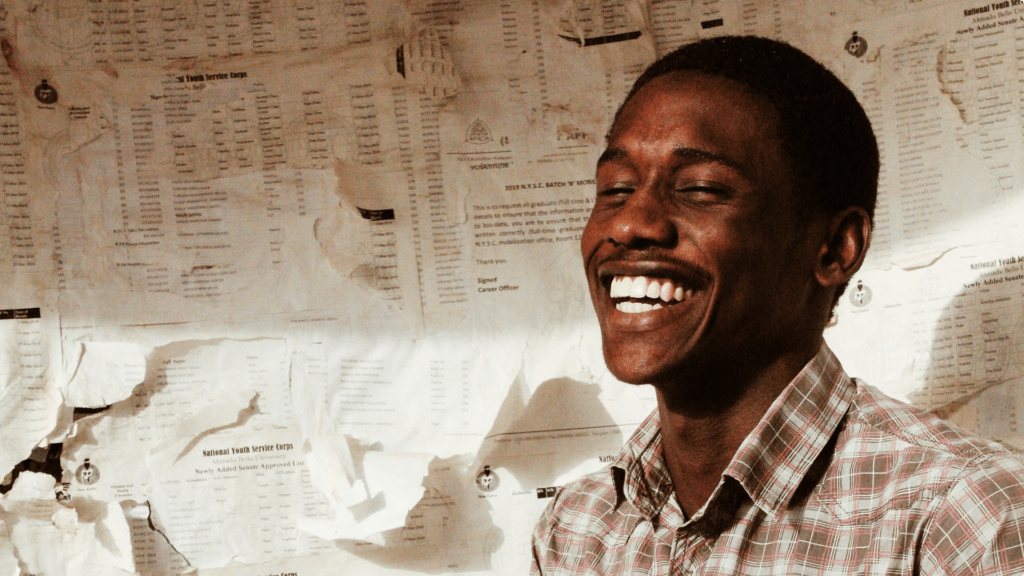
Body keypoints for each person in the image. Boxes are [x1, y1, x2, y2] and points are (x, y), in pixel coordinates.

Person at [531, 36, 1024, 575]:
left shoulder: (965, 522)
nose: (629, 224)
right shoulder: (575, 531)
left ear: (836, 248)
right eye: (616, 188)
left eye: (699, 188)